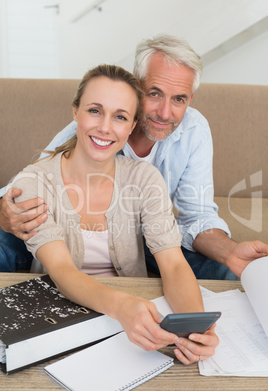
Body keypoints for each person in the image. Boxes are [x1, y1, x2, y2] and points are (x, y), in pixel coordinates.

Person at [0, 35, 267, 277]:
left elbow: (196, 215)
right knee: (10, 233)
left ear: (190, 99)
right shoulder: (97, 129)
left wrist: (229, 251)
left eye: (179, 99)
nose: (165, 112)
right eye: (154, 93)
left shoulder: (194, 130)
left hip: (152, 237)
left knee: (227, 268)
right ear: (135, 90)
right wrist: (5, 210)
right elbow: (28, 187)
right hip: (73, 233)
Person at [10, 64, 219, 364]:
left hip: (129, 326)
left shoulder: (145, 180)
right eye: (95, 111)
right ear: (75, 113)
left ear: (132, 126)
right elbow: (63, 271)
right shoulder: (34, 183)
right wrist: (122, 308)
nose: (105, 127)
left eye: (120, 117)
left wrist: (195, 327)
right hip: (57, 322)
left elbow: (172, 264)